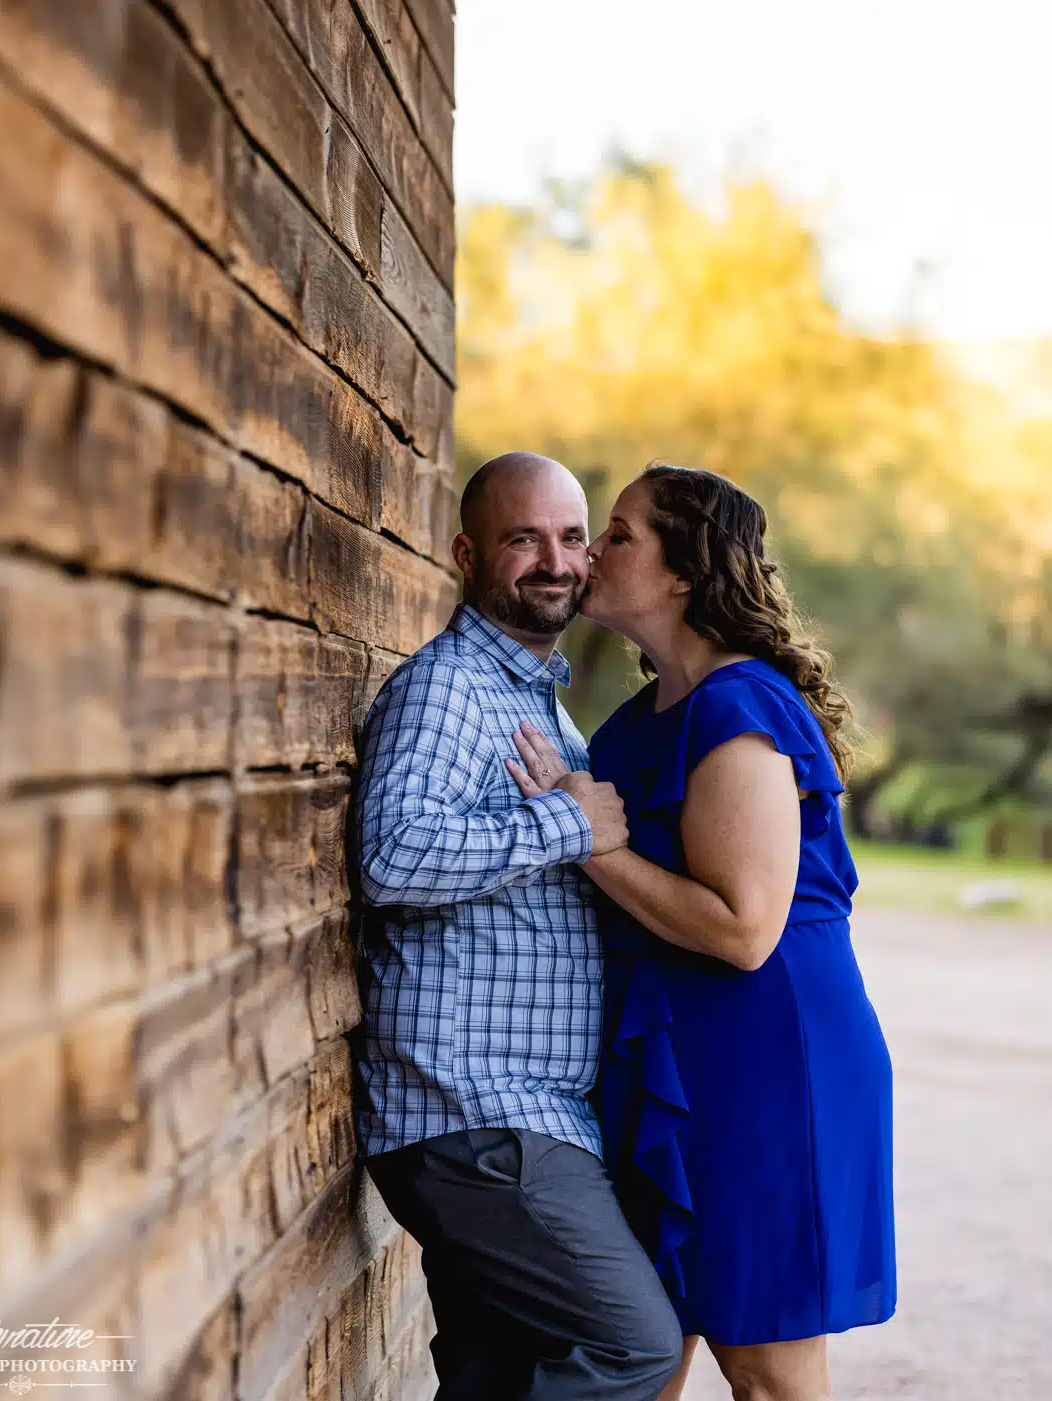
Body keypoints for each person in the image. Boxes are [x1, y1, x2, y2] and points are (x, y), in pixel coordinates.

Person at [505, 463, 897, 1401]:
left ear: (683, 572)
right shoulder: (633, 725)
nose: (593, 549)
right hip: (667, 1053)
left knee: (765, 1368)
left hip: (766, 1060)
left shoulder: (740, 708)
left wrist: (588, 842)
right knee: (642, 1356)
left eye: (622, 532)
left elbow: (745, 928)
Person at [352, 452, 683, 1401]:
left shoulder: (532, 700)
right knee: (634, 1347)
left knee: (497, 1375)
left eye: (572, 538)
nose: (555, 559)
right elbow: (390, 856)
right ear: (466, 552)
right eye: (523, 537)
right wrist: (570, 823)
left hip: (514, 1114)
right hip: (473, 1115)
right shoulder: (449, 688)